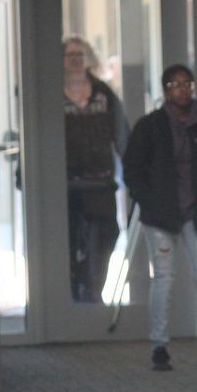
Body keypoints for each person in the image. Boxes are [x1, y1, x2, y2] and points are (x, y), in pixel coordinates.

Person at [123, 64, 197, 373]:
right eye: (174, 84)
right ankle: (159, 347)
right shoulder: (151, 126)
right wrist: (149, 201)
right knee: (164, 279)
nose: (182, 89)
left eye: (187, 84)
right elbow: (132, 169)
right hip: (160, 216)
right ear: (165, 90)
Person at [62, 34, 129, 303]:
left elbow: (122, 135)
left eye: (81, 55)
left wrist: (134, 170)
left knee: (105, 236)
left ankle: (93, 289)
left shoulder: (104, 94)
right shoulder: (51, 94)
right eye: (71, 56)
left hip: (100, 182)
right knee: (66, 240)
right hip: (64, 184)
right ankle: (72, 291)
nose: (76, 61)